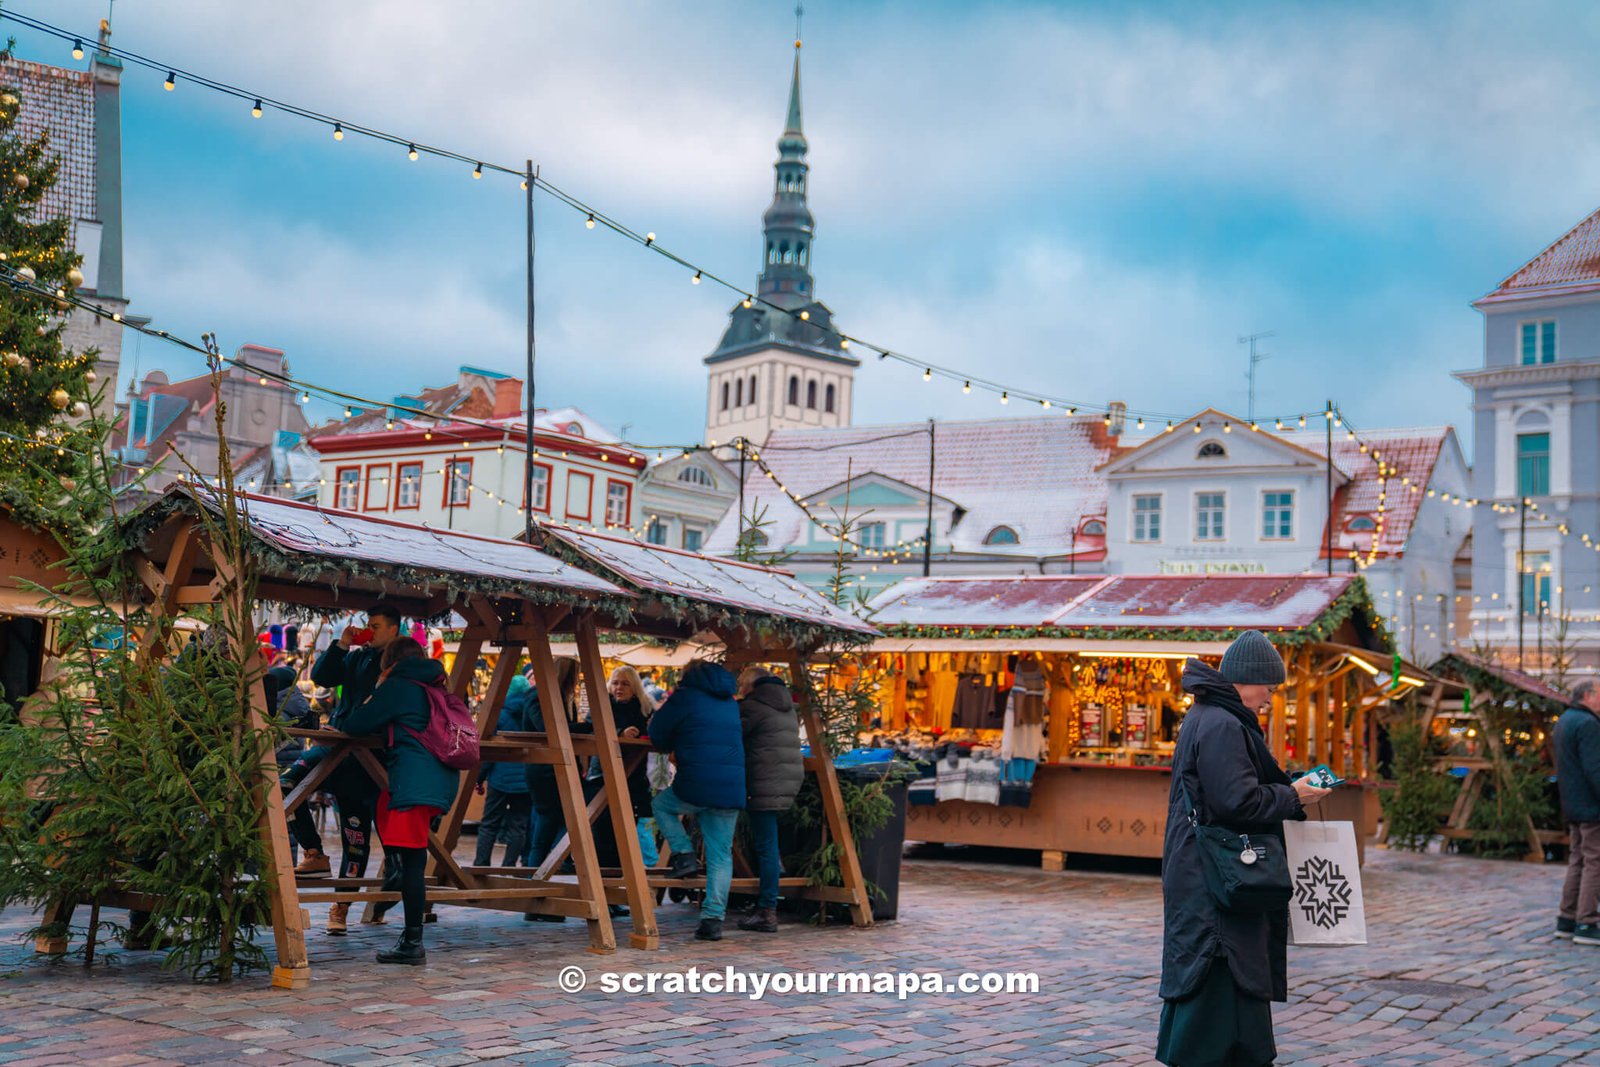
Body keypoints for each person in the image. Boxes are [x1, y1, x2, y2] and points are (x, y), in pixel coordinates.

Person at [1158, 630, 1330, 1067]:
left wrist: (1289, 787)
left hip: (1209, 876)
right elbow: (1237, 801)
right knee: (1219, 969)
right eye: (1269, 686)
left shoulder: (1214, 716)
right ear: (1248, 679)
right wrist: (1293, 796)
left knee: (1219, 975)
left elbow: (1234, 789)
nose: (1271, 696)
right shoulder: (1221, 723)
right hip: (1217, 879)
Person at [340, 637, 460, 965]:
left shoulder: (400, 687)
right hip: (437, 779)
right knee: (404, 845)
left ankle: (412, 942)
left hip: (413, 780)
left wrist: (378, 687)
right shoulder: (435, 686)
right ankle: (395, 879)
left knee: (412, 863)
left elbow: (354, 724)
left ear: (389, 663)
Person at [296, 604, 403, 934]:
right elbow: (322, 677)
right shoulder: (358, 657)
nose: (368, 630)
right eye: (367, 624)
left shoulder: (402, 666)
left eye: (375, 625)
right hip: (336, 751)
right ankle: (313, 851)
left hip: (370, 764)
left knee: (357, 839)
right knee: (283, 784)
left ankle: (341, 907)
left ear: (394, 630)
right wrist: (342, 643)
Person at [648, 659, 745, 941]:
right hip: (730, 789)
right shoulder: (729, 700)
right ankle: (712, 921)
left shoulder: (685, 696)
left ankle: (683, 853)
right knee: (720, 855)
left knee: (662, 805)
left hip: (696, 783)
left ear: (686, 676)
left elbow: (657, 734)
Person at [734, 666, 804, 934]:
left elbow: (734, 735)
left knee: (766, 846)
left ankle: (767, 909)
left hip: (763, 781)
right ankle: (770, 893)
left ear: (752, 684)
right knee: (769, 843)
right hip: (785, 780)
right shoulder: (785, 705)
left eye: (741, 681)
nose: (739, 686)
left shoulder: (754, 707)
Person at [1555, 679, 1600, 945]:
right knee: (1594, 861)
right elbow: (1595, 769)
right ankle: (1586, 922)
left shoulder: (1565, 720)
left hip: (1572, 802)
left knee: (1578, 860)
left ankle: (1567, 918)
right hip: (1590, 806)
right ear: (1587, 695)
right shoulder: (1588, 724)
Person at [473, 675, 534, 867]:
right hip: (524, 779)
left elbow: (488, 751)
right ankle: (509, 867)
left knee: (490, 824)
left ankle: (481, 865)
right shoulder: (531, 713)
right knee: (518, 827)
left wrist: (479, 777)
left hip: (500, 778)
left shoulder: (499, 714)